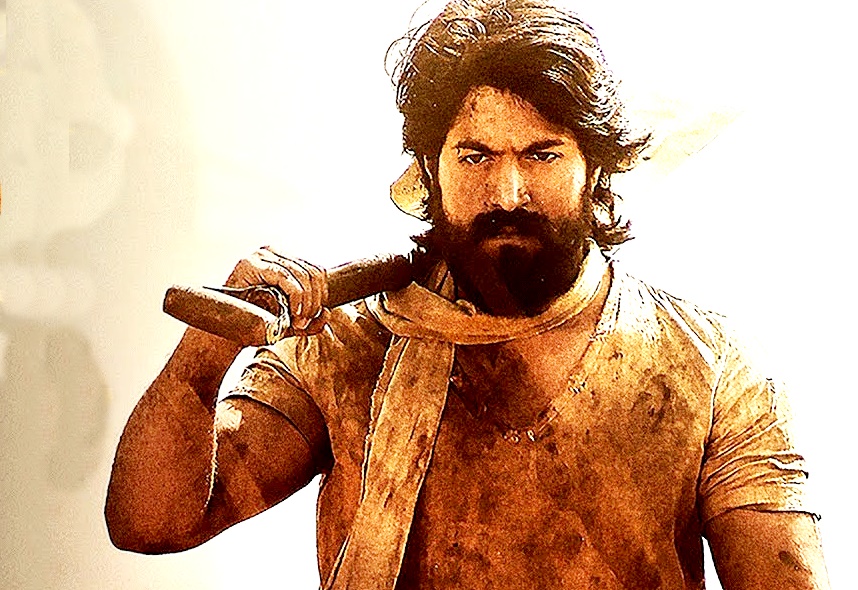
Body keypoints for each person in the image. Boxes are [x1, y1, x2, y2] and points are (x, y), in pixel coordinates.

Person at [105, 1, 830, 588]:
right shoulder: (347, 344)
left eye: (542, 154)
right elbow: (153, 523)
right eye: (475, 155)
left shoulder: (712, 365)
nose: (507, 193)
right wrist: (205, 356)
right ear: (430, 169)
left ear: (596, 172)